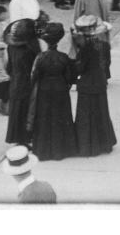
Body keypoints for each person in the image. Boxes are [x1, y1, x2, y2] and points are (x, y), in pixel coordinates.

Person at [27, 22, 77, 162]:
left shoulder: (41, 57)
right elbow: (69, 77)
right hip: (60, 89)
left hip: (44, 89)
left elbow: (34, 76)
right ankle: (62, 149)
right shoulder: (63, 57)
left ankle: (44, 149)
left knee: (44, 118)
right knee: (61, 117)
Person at [72, 14, 117, 156]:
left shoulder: (84, 48)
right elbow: (106, 63)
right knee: (101, 111)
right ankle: (105, 142)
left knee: (86, 115)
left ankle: (87, 145)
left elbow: (80, 67)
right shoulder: (103, 45)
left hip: (86, 83)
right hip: (100, 81)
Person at [4, 18, 40, 145]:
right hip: (26, 83)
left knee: (17, 110)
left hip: (15, 81)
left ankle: (17, 137)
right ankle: (26, 137)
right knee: (27, 111)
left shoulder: (11, 48)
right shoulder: (30, 50)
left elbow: (8, 67)